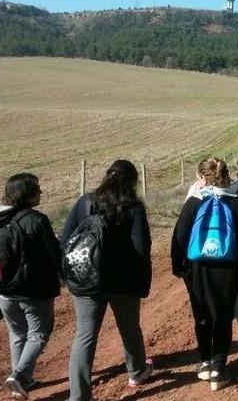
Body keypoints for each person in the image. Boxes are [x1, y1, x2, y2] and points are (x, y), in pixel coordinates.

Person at [60, 160, 153, 401]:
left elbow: (66, 240)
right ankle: (136, 371)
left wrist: (68, 273)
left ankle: (79, 396)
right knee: (130, 328)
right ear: (133, 181)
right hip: (123, 281)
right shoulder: (133, 207)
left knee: (85, 335)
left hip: (87, 279)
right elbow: (142, 249)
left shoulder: (85, 202)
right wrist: (142, 282)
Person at [171, 157, 238, 390]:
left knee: (202, 316)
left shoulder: (193, 203)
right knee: (223, 319)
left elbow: (179, 237)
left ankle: (203, 363)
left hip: (198, 269)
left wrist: (179, 267)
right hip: (230, 270)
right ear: (226, 176)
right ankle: (217, 371)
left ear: (201, 177)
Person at [0, 173, 61, 400]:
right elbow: (54, 253)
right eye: (37, 189)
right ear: (27, 194)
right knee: (38, 334)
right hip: (33, 290)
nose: (41, 193)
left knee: (17, 334)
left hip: (3, 290)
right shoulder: (37, 220)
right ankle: (18, 375)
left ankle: (23, 380)